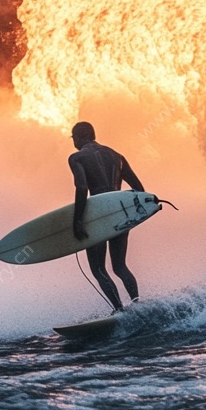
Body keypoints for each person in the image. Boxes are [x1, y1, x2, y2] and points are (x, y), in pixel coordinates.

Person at [67, 121, 144, 311]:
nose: (73, 143)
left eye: (73, 138)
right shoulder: (117, 156)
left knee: (99, 269)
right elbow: (139, 189)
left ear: (78, 137)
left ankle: (119, 311)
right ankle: (138, 306)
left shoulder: (77, 157)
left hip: (97, 217)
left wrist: (77, 220)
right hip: (120, 214)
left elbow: (83, 187)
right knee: (120, 267)